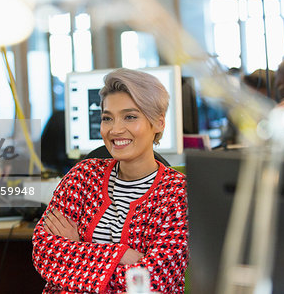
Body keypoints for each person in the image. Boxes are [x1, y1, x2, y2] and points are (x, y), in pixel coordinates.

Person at [32, 68, 188, 293]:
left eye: (130, 116)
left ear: (159, 123)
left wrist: (76, 250)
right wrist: (122, 255)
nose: (115, 130)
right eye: (107, 118)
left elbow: (153, 282)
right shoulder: (83, 175)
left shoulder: (177, 193)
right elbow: (44, 253)